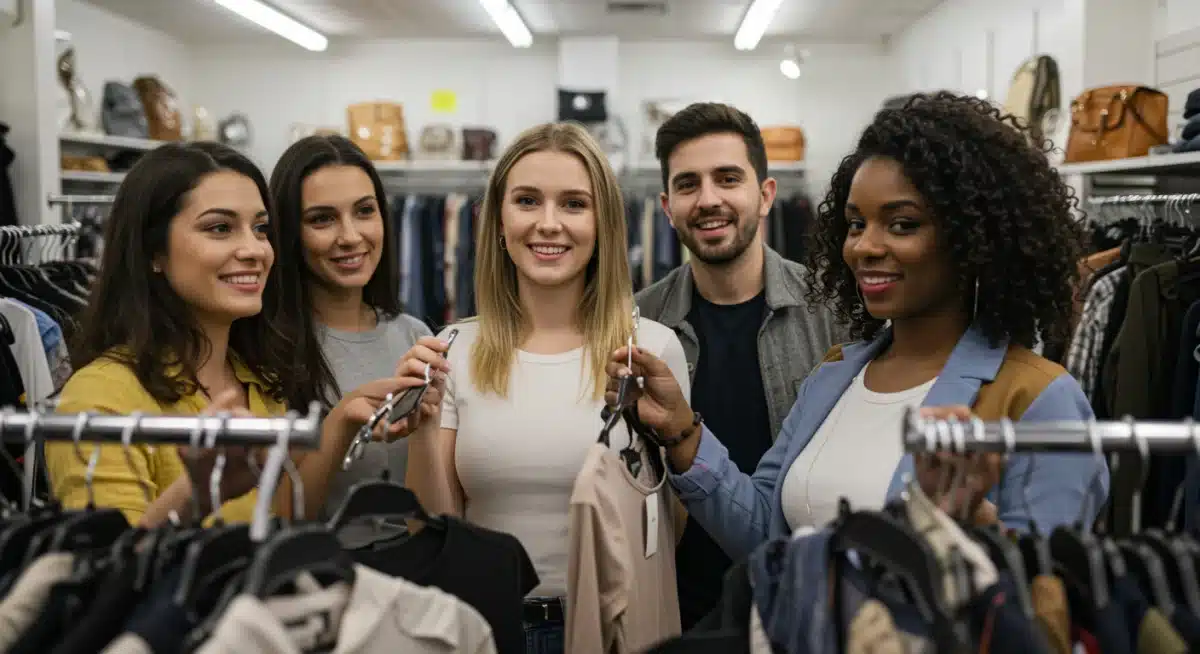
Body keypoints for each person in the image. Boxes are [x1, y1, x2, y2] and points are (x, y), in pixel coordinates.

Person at [606, 92, 1111, 564]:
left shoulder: (1037, 397)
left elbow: (1051, 593)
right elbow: (763, 531)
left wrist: (971, 522)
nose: (865, 246)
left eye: (902, 224)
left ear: (973, 236)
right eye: (855, 224)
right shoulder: (836, 375)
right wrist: (681, 430)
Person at [403, 122, 690, 652]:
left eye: (574, 204)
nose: (549, 224)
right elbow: (437, 529)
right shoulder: (452, 349)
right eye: (527, 201)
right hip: (490, 629)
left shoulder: (651, 350)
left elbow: (668, 529)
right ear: (499, 221)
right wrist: (421, 425)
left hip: (611, 628)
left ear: (603, 224)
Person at [45, 142, 431, 528]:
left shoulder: (262, 381)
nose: (254, 250)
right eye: (220, 228)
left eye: (260, 229)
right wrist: (197, 495)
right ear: (153, 252)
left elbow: (282, 529)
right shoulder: (101, 396)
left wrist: (344, 421)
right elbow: (106, 562)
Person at [635, 102, 845, 628]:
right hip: (674, 614)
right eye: (688, 184)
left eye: (728, 179)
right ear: (667, 207)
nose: (709, 199)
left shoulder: (832, 315)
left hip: (800, 608)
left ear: (766, 194)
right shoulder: (637, 324)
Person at [268, 134, 439, 527]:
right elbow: (279, 520)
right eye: (322, 219)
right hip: (319, 563)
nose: (350, 236)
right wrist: (341, 423)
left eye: (364, 211)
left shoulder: (415, 336)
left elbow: (433, 510)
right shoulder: (269, 348)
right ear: (290, 231)